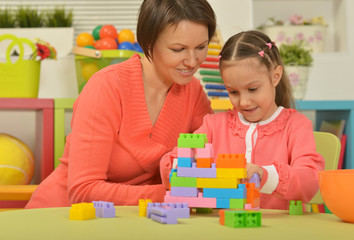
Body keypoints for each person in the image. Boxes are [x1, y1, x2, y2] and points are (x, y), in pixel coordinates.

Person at [26, 0, 216, 208]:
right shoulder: (106, 86)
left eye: (201, 47)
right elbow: (83, 190)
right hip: (62, 215)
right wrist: (172, 195)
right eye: (178, 49)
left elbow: (212, 158)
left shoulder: (193, 92)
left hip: (134, 220)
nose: (192, 61)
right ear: (148, 43)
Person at [160, 30, 325, 210]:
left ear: (275, 76)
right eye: (233, 92)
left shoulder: (295, 125)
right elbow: (170, 163)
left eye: (253, 89)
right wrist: (186, 168)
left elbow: (310, 180)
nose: (244, 102)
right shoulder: (213, 125)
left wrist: (264, 174)